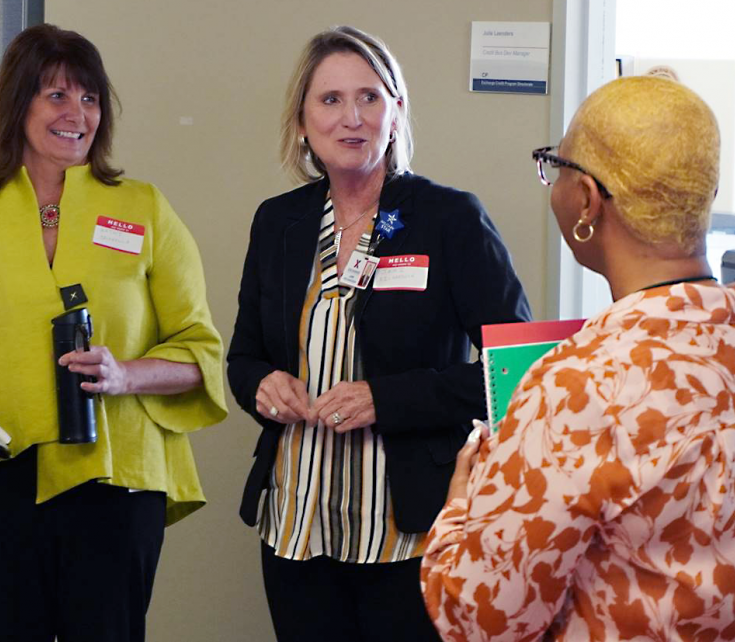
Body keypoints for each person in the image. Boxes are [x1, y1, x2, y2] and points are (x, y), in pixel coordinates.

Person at [421, 76, 735, 641]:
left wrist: (461, 507)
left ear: (587, 200)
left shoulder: (580, 386)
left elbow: (477, 619)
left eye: (556, 165)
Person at [0, 24, 227, 642]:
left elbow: (200, 351)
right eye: (57, 96)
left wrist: (125, 374)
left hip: (115, 479)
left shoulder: (145, 208)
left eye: (91, 98)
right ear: (19, 104)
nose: (78, 114)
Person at [227, 26, 531, 642]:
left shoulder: (447, 218)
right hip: (295, 526)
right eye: (331, 100)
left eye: (370, 97)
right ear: (303, 120)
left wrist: (385, 399)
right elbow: (243, 359)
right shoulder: (279, 222)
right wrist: (263, 384)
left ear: (396, 112)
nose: (352, 117)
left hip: (406, 534)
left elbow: (517, 370)